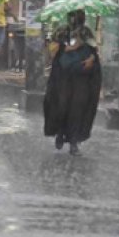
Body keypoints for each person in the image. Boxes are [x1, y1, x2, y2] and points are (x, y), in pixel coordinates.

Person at [43, 9, 101, 155]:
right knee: (62, 107)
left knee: (78, 109)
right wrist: (70, 48)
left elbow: (94, 51)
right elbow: (53, 51)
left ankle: (74, 142)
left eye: (79, 16)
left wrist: (91, 60)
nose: (77, 19)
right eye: (74, 16)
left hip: (81, 79)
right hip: (63, 78)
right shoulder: (61, 32)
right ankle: (60, 134)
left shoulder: (86, 32)